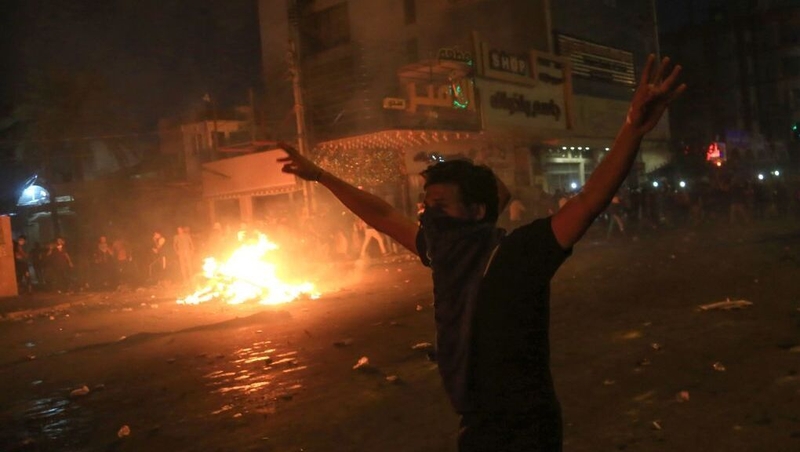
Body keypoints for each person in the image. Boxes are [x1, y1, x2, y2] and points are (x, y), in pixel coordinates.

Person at [276, 54, 685, 452]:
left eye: (440, 208)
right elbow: (382, 213)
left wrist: (632, 129)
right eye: (425, 206)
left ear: (476, 213)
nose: (428, 217)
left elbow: (588, 202)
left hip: (527, 428)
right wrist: (320, 175)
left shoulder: (517, 256)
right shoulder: (443, 253)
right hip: (476, 424)